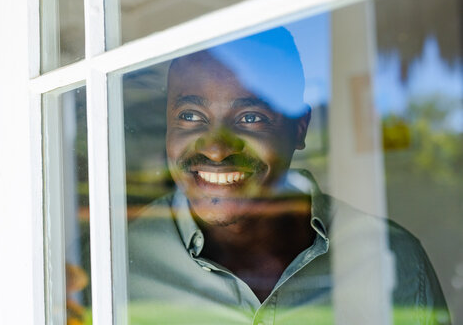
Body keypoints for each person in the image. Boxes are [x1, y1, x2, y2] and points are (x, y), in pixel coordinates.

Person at [127, 27, 450, 324]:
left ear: (299, 128)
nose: (215, 150)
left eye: (250, 117)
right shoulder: (116, 262)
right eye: (190, 115)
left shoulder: (393, 259)